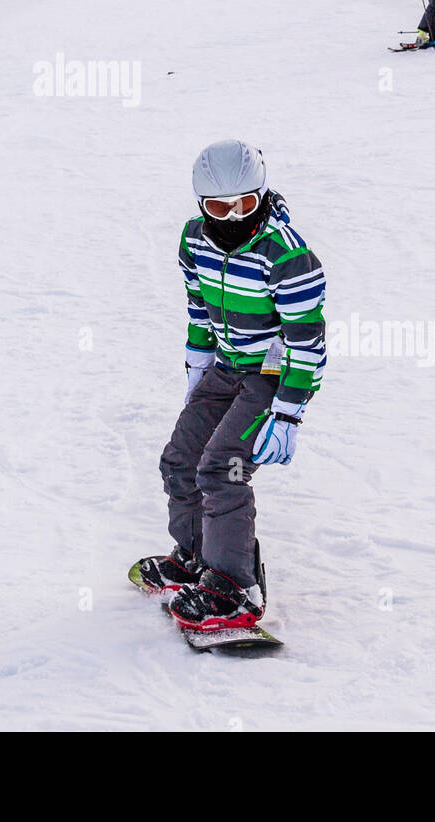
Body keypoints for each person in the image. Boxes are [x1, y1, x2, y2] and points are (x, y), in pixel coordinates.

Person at [136, 140, 326, 632]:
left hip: (270, 374)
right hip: (224, 366)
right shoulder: (194, 239)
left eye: (245, 203)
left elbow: (308, 341)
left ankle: (234, 586)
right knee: (180, 459)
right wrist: (197, 366)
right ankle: (197, 558)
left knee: (224, 469)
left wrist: (288, 411)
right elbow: (198, 305)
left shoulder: (287, 254)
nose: (233, 215)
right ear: (202, 205)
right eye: (219, 206)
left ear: (261, 194)